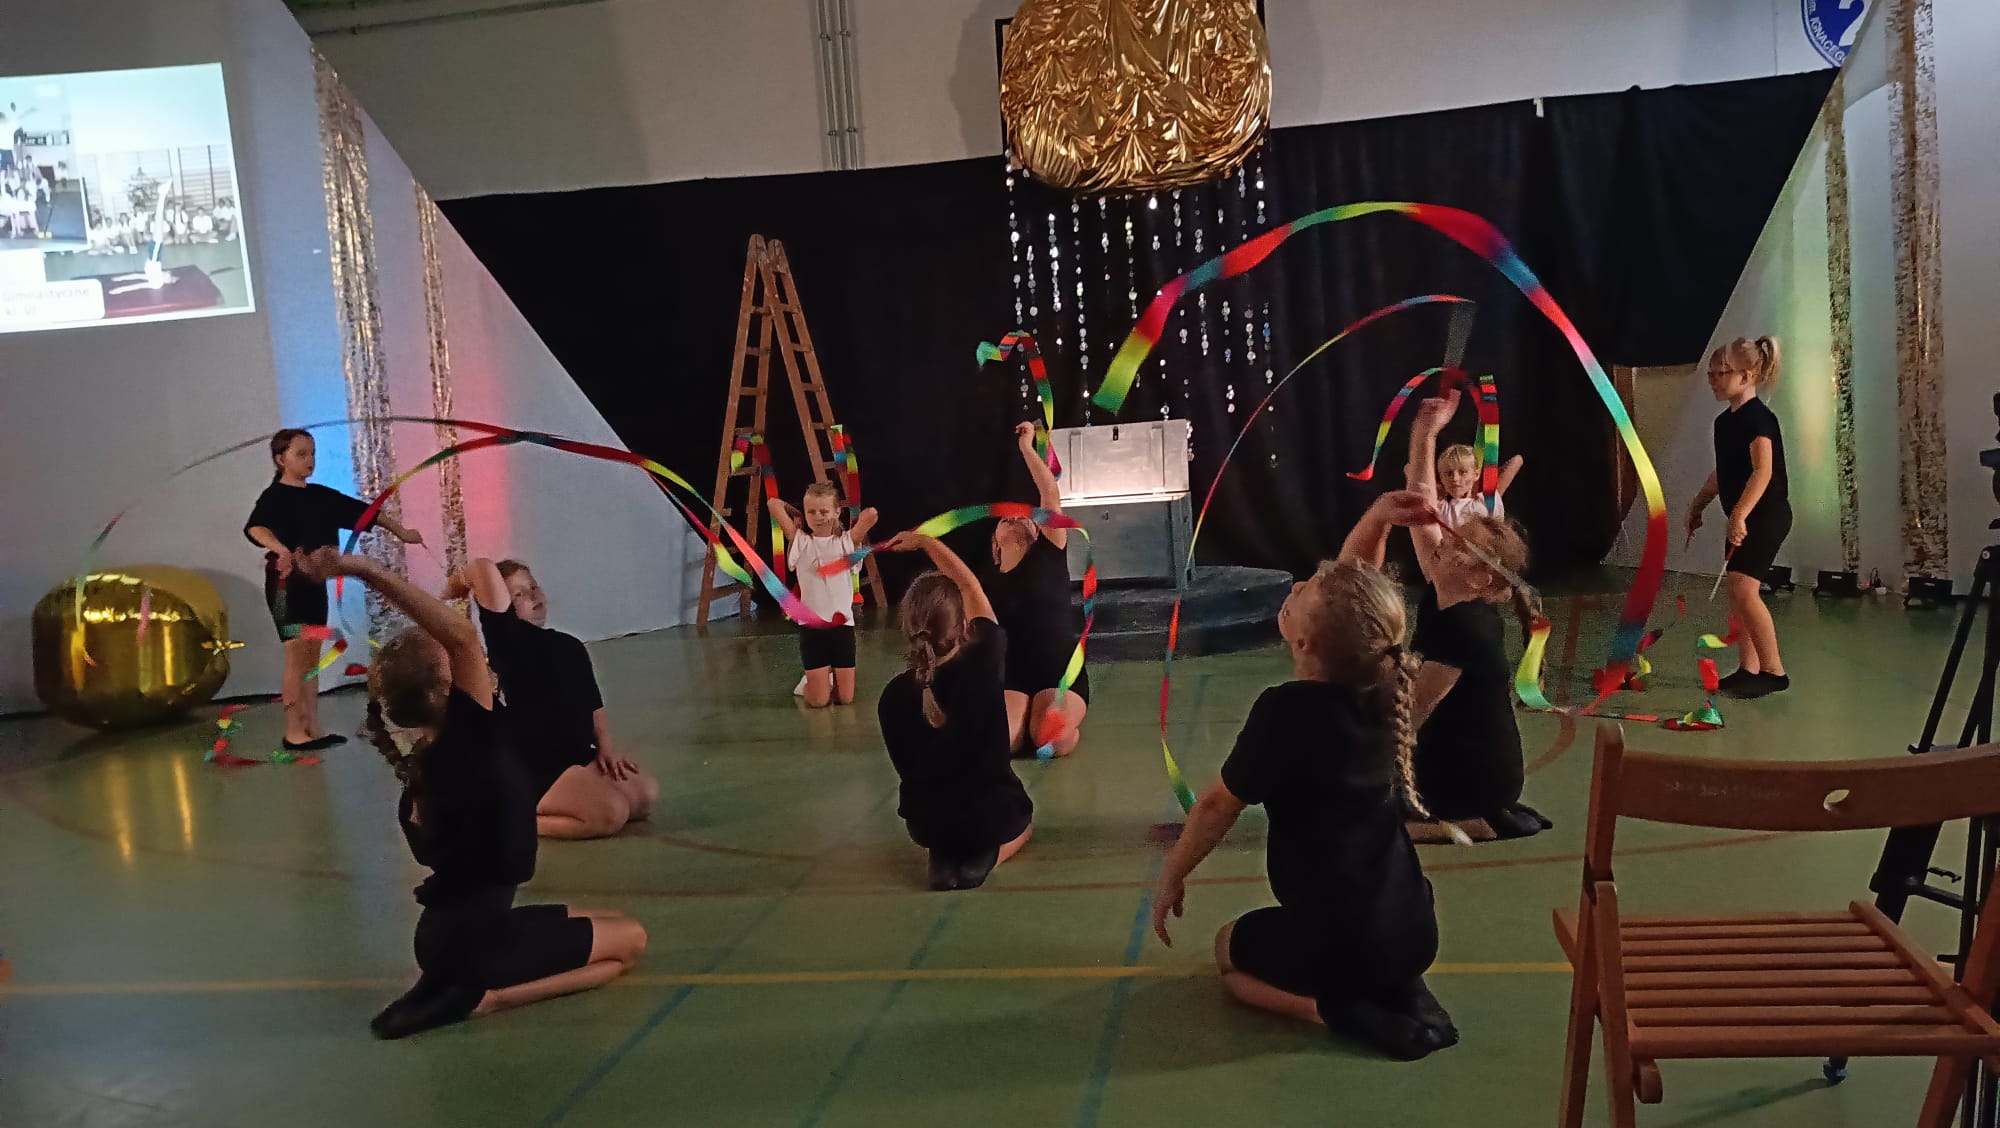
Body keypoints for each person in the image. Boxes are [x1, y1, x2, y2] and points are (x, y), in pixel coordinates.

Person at [1152, 490, 1457, 1060]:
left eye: (1301, 593)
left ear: (1304, 642)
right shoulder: (1388, 684)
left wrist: (1172, 873)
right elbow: (1355, 594)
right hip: (1416, 931)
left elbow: (1217, 806)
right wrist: (1377, 519)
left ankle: (1337, 1010)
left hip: (1343, 943)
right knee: (1365, 939)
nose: (1293, 588)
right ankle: (1400, 988)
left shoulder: (1284, 712)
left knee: (1227, 954)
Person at [293, 547, 646, 1039]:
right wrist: (362, 569)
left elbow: (457, 641)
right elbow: (459, 634)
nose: (473, 657)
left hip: (445, 935)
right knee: (630, 941)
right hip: (475, 946)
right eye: (454, 661)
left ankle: (463, 980)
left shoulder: (427, 763)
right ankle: (486, 998)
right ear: (442, 690)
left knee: (605, 919)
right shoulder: (472, 740)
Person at [1400, 391, 1546, 838]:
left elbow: (1413, 711)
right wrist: (1425, 433)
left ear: (1482, 577)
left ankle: (1457, 823)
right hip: (1468, 762)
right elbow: (1420, 502)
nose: (1442, 540)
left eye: (1457, 543)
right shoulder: (1448, 587)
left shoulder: (1466, 628)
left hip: (1476, 778)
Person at [445, 558, 659, 839]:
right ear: (503, 607)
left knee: (644, 796)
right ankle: (504, 819)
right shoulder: (508, 641)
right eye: (518, 594)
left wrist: (606, 746)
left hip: (576, 754)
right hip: (536, 764)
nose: (532, 594)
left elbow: (593, 702)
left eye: (533, 586)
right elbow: (482, 568)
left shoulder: (570, 645)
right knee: (611, 813)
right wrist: (456, 585)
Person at [244, 428, 423, 751]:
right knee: (296, 656)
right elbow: (256, 527)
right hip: (287, 584)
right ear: (281, 459)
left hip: (314, 584)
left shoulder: (321, 496)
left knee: (312, 658)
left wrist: (403, 532)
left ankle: (313, 726)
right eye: (301, 454)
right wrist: (281, 549)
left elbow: (368, 513)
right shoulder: (274, 497)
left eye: (312, 453)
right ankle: (293, 731)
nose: (310, 460)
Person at [876, 530, 1033, 891]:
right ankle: (983, 856)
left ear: (909, 629)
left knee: (948, 807)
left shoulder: (892, 696)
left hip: (926, 826)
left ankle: (945, 856)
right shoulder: (985, 660)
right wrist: (927, 542)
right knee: (1023, 820)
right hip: (988, 818)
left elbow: (910, 773)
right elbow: (969, 586)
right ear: (963, 626)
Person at [1686, 336, 1789, 699]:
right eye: (1710, 374)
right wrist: (1698, 505)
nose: (1713, 380)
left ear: (1747, 376)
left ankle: (1774, 671)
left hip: (1766, 517)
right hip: (1742, 519)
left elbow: (1763, 471)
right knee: (1738, 593)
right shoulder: (1723, 423)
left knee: (1746, 590)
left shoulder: (1759, 418)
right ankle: (1749, 668)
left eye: (1721, 373)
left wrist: (1740, 515)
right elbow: (1723, 473)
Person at [988, 422, 1088, 757]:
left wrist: (1027, 448)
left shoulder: (1050, 551)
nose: (1015, 518)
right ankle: (1028, 720)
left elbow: (1049, 496)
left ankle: (1061, 722)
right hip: (1012, 674)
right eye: (1006, 519)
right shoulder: (988, 583)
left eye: (1023, 516)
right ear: (995, 545)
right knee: (998, 743)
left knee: (1050, 740)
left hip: (1057, 670)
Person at [770, 483, 877, 707]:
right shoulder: (800, 542)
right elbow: (773, 504)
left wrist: (856, 528)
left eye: (824, 511)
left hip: (842, 626)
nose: (818, 517)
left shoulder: (846, 543)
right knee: (819, 702)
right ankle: (808, 684)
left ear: (837, 511)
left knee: (845, 699)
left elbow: (871, 514)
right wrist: (796, 514)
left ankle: (826, 678)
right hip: (812, 629)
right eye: (812, 512)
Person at [1434, 442, 1522, 529]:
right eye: (1448, 473)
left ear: (1476, 474)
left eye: (1463, 472)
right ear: (1441, 478)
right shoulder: (1440, 507)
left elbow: (1517, 460)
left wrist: (1480, 483)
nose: (1455, 478)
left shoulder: (1485, 504)